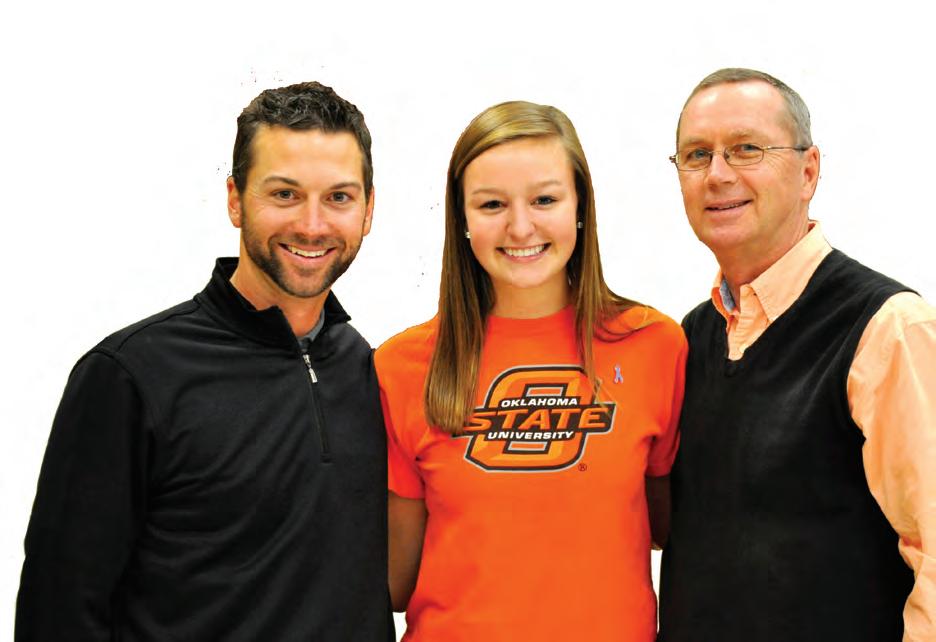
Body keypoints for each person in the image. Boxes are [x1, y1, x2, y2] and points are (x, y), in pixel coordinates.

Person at [15, 81, 392, 641]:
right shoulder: (131, 375)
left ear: (368, 209)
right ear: (235, 199)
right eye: (284, 194)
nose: (312, 225)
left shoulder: (373, 371)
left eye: (338, 197)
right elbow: (58, 612)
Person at [376, 101, 687, 642]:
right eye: (492, 204)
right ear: (462, 219)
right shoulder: (402, 365)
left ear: (580, 205)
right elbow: (394, 585)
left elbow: (671, 530)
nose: (521, 227)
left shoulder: (654, 345)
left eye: (545, 199)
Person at [658, 68, 936, 642]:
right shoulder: (689, 337)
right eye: (696, 155)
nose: (717, 174)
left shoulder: (887, 329)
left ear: (809, 171)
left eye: (746, 149)